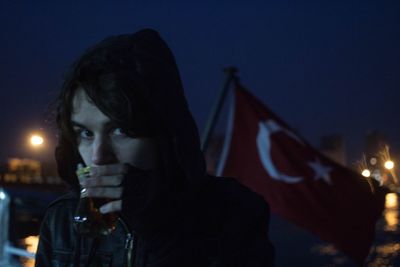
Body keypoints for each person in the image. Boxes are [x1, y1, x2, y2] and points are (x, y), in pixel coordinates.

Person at [35, 29, 275, 267]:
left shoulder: (233, 213)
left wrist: (157, 227)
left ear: (164, 135)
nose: (98, 157)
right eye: (85, 133)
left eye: (121, 130)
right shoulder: (61, 221)